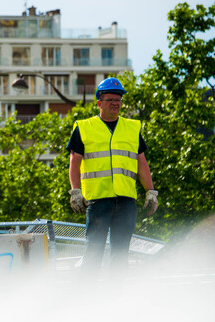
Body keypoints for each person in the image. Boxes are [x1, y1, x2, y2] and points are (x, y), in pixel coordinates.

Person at [66, 77, 158, 281]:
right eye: (110, 99)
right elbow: (75, 161)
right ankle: (85, 297)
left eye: (118, 99)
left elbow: (141, 162)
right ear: (99, 102)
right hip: (98, 201)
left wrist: (150, 192)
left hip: (126, 201)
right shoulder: (84, 127)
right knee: (93, 252)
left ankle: (115, 299)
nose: (115, 103)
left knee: (120, 255)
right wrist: (75, 191)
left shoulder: (132, 128)